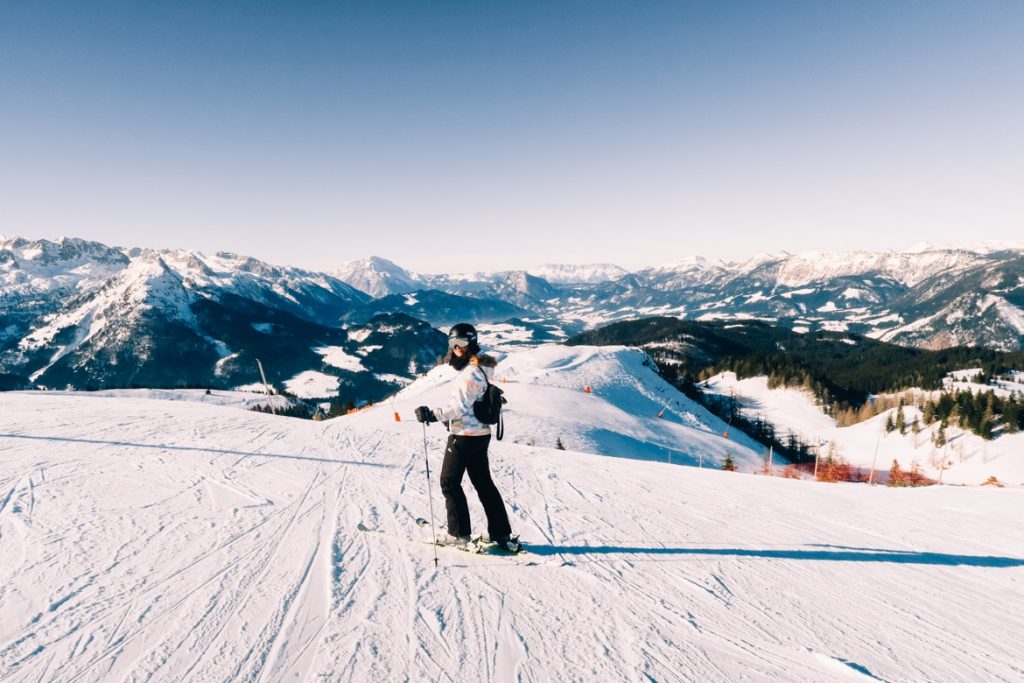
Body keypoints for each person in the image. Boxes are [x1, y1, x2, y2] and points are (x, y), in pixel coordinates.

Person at [415, 323, 514, 549]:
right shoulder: (479, 370)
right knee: (483, 483)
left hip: (465, 435)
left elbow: (457, 408)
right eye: (452, 343)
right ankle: (500, 533)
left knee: (449, 482)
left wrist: (432, 414)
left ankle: (459, 534)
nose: (456, 348)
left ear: (471, 343)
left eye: (460, 343)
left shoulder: (471, 374)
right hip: (479, 434)